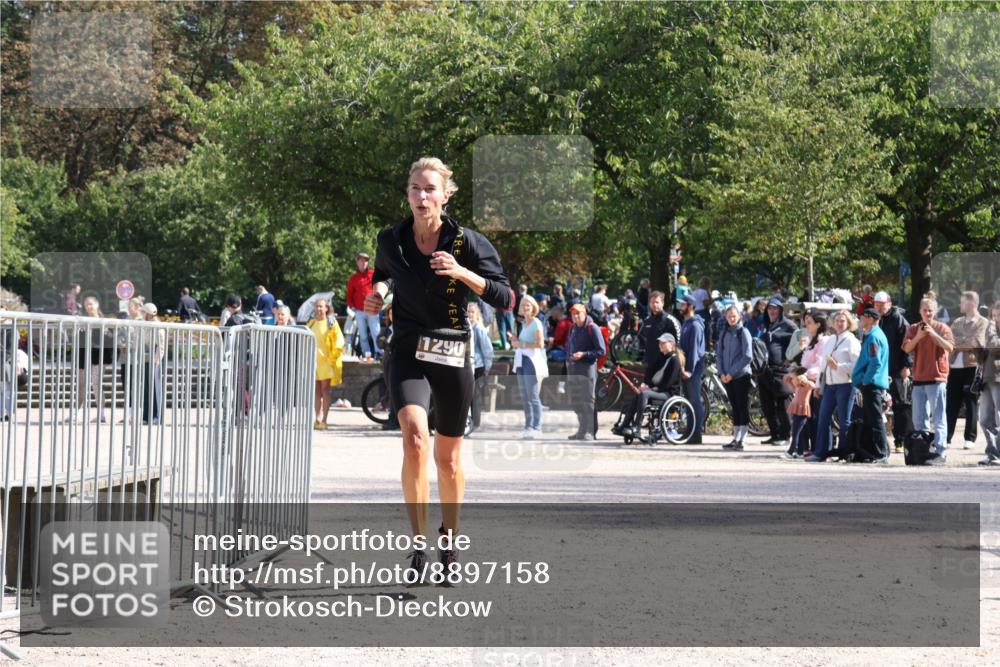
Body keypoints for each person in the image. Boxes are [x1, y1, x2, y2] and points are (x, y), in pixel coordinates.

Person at [364, 156, 513, 581]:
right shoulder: (391, 238)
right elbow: (386, 275)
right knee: (414, 440)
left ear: (445, 196)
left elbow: (505, 296)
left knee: (448, 462)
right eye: (415, 188)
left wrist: (462, 272)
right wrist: (379, 293)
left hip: (451, 352)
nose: (422, 196)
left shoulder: (468, 242)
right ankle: (418, 546)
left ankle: (449, 538)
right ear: (407, 193)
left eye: (430, 189)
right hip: (409, 349)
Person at [902, 296, 956, 464]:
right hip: (918, 378)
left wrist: (932, 333)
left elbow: (950, 347)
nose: (927, 313)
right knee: (919, 420)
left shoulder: (942, 327)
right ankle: (922, 451)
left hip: (937, 378)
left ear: (935, 311)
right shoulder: (913, 328)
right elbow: (907, 348)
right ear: (920, 311)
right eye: (924, 310)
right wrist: (919, 336)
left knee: (938, 418)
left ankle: (941, 452)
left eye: (930, 310)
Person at [807, 311, 861, 462]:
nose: (839, 323)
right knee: (823, 418)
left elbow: (856, 365)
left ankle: (844, 453)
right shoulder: (830, 340)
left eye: (842, 321)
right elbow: (823, 365)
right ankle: (821, 452)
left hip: (846, 385)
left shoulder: (852, 341)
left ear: (849, 323)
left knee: (844, 421)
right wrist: (818, 385)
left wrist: (838, 366)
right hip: (830, 386)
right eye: (836, 320)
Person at [614, 333, 684, 441]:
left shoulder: (675, 360)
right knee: (639, 393)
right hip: (657, 390)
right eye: (660, 343)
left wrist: (654, 389)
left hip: (668, 393)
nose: (660, 344)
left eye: (663, 343)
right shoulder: (661, 357)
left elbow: (669, 382)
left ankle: (637, 428)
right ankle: (625, 425)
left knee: (644, 394)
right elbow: (650, 371)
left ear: (672, 344)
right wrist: (645, 384)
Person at [781, 311, 828, 458]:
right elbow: (804, 362)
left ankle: (796, 448)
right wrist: (795, 373)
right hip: (805, 380)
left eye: (809, 322)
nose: (805, 325)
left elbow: (820, 364)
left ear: (818, 324)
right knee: (808, 415)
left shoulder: (823, 341)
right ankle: (803, 449)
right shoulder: (811, 340)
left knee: (802, 412)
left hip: (814, 382)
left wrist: (804, 374)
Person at [946, 291, 989, 449]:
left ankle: (969, 438)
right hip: (954, 367)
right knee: (951, 403)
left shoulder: (983, 322)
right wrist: (963, 341)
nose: (960, 305)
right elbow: (950, 340)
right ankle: (947, 437)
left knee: (971, 402)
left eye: (963, 302)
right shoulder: (957, 321)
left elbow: (977, 342)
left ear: (972, 303)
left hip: (971, 367)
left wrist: (960, 342)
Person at [874, 291, 912, 453]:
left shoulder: (898, 320)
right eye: (877, 304)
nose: (880, 307)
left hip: (897, 368)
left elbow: (908, 343)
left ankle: (901, 439)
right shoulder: (876, 320)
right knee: (881, 403)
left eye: (882, 304)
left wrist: (907, 365)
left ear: (889, 303)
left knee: (901, 404)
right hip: (881, 369)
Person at [852, 308, 892, 463]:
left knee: (875, 420)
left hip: (872, 385)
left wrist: (865, 380)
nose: (861, 319)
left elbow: (875, 363)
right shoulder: (874, 335)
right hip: (871, 384)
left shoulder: (874, 337)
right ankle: (873, 452)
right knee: (871, 420)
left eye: (863, 316)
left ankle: (882, 453)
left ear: (871, 319)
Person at [757, 297, 796, 447]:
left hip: (780, 371)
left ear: (780, 310)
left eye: (775, 309)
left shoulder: (788, 326)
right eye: (770, 309)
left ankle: (785, 435)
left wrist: (789, 359)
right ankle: (774, 434)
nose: (772, 311)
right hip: (764, 371)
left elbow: (799, 343)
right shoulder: (765, 325)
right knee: (767, 405)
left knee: (782, 404)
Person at [565, 303, 606, 440]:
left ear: (585, 313)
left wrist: (584, 354)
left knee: (588, 400)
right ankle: (582, 430)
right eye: (573, 314)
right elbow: (569, 345)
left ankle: (590, 431)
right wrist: (568, 359)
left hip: (587, 368)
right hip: (573, 368)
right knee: (575, 400)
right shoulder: (573, 328)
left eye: (578, 313)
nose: (575, 316)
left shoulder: (592, 328)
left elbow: (601, 350)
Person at [71, 295, 112, 423]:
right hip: (84, 354)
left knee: (96, 382)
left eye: (91, 304)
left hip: (99, 355)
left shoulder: (104, 321)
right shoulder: (82, 320)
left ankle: (101, 414)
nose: (89, 306)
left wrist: (105, 331)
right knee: (81, 384)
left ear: (97, 304)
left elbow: (111, 338)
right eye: (86, 304)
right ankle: (76, 413)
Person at [717, 305, 753, 450]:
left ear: (739, 317)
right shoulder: (724, 333)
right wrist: (721, 373)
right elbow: (719, 354)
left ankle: (743, 438)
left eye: (734, 316)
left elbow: (747, 356)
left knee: (742, 406)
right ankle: (736, 436)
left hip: (741, 375)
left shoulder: (743, 332)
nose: (731, 318)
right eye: (729, 316)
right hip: (727, 376)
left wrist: (731, 373)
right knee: (734, 406)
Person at [510, 295, 547, 438]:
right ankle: (528, 427)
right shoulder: (524, 324)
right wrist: (515, 340)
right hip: (521, 360)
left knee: (532, 396)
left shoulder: (536, 322)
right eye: (523, 305)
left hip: (531, 361)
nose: (525, 307)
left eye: (528, 305)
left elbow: (540, 344)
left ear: (533, 308)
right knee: (525, 396)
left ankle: (537, 427)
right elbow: (521, 343)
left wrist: (521, 344)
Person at [306, 298, 344, 430]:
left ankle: (324, 418)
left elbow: (339, 341)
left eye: (321, 306)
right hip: (313, 362)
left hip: (326, 362)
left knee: (325, 390)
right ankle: (317, 417)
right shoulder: (311, 323)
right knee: (316, 391)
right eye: (317, 306)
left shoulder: (331, 323)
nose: (318, 309)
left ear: (327, 308)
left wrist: (332, 359)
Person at [678, 293, 706, 444]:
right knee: (688, 401)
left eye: (683, 304)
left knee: (694, 401)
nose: (680, 307)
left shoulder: (695, 325)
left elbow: (694, 350)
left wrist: (689, 370)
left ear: (690, 306)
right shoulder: (686, 323)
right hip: (686, 369)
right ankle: (689, 430)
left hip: (693, 370)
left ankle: (696, 433)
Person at [347, 251, 382, 362]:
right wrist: (352, 307)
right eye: (361, 260)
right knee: (362, 336)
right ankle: (367, 355)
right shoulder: (353, 278)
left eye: (366, 260)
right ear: (357, 262)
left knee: (376, 333)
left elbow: (381, 288)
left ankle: (380, 355)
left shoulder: (374, 274)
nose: (364, 263)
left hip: (373, 310)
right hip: (359, 311)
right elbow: (349, 295)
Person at [978, 301, 1000, 466]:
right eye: (993, 316)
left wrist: (990, 326)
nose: (995, 319)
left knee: (999, 416)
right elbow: (985, 356)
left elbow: (994, 347)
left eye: (998, 316)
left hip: (998, 379)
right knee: (985, 419)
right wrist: (977, 349)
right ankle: (993, 453)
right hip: (987, 378)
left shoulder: (991, 331)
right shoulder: (989, 332)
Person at [467, 302, 493, 434]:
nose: (470, 314)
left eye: (472, 312)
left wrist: (487, 367)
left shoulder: (479, 329)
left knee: (475, 396)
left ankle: (476, 423)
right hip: (466, 366)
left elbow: (487, 349)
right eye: (468, 312)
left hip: (478, 366)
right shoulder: (465, 327)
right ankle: (468, 421)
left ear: (477, 314)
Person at [642, 291, 682, 376]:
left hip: (666, 365)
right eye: (652, 302)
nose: (654, 305)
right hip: (650, 364)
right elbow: (645, 340)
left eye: (657, 302)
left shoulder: (670, 321)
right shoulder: (647, 321)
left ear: (662, 303)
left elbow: (679, 342)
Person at [140, 303, 165, 425]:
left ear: (148, 313)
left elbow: (160, 347)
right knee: (146, 388)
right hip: (146, 359)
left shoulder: (157, 326)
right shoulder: (146, 325)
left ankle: (156, 415)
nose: (142, 314)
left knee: (155, 389)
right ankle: (147, 416)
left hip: (154, 361)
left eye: (144, 312)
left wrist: (156, 361)